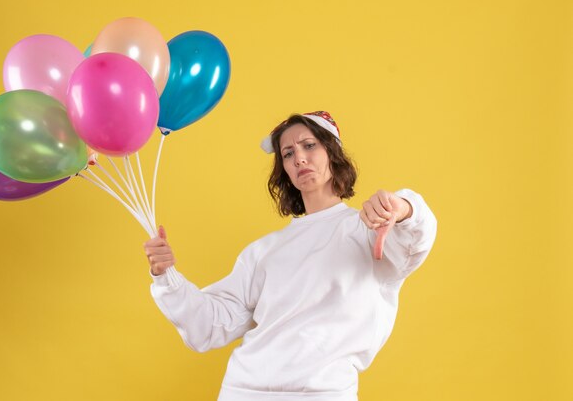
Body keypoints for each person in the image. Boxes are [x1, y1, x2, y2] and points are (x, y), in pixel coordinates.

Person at [144, 111, 437, 401]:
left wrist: (402, 208)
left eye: (309, 146)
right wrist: (166, 275)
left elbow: (415, 238)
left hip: (322, 393)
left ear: (332, 152)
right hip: (244, 390)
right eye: (287, 153)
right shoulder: (264, 251)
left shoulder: (368, 230)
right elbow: (208, 326)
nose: (299, 159)